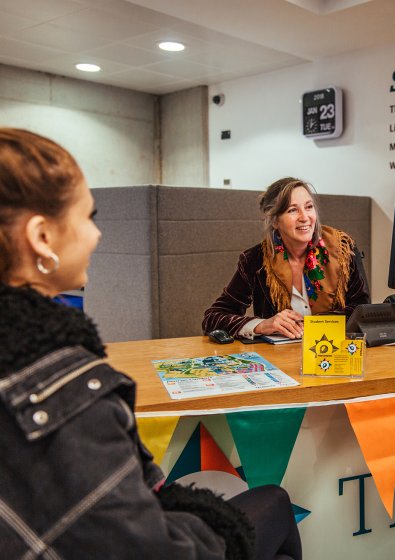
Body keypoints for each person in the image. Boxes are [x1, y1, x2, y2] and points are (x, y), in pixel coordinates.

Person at [0, 128, 302, 560]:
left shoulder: (341, 254)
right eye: (89, 218)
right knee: (273, 504)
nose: (98, 236)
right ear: (41, 238)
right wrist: (261, 323)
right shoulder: (61, 385)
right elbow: (143, 543)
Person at [203, 177, 370, 340]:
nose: (304, 217)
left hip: (336, 354)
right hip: (280, 360)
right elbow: (213, 317)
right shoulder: (256, 260)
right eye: (292, 210)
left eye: (309, 207)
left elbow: (362, 310)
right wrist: (262, 325)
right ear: (275, 220)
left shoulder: (342, 249)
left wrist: (313, 324)